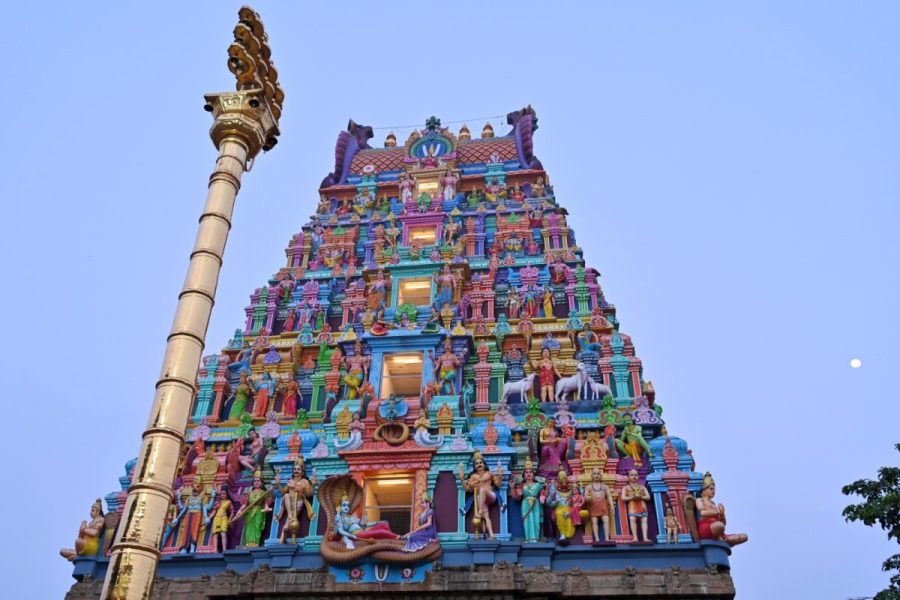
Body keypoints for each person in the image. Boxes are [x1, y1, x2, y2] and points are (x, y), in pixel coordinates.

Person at [458, 451, 502, 539]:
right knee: (486, 516)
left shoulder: (489, 474)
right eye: (477, 463)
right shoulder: (473, 477)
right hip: (481, 499)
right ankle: (491, 535)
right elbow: (468, 489)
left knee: (482, 490)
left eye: (480, 462)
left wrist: (500, 475)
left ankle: (480, 511)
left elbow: (498, 484)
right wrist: (462, 479)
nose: (479, 464)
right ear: (474, 466)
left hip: (491, 496)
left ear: (484, 464)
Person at [695, 472, 748, 546]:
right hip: (706, 527)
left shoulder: (715, 504)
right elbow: (703, 513)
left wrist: (723, 514)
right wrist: (717, 512)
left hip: (718, 531)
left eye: (714, 489)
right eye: (711, 489)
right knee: (719, 526)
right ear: (703, 490)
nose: (713, 491)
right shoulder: (700, 500)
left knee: (744, 536)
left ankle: (724, 539)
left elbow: (724, 523)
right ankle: (722, 540)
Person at [231, 471, 272, 548]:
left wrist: (266, 506)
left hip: (258, 511)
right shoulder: (250, 493)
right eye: (255, 481)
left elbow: (266, 501)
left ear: (262, 483)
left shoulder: (263, 492)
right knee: (249, 527)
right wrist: (240, 510)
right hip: (250, 511)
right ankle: (248, 543)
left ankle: (255, 543)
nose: (256, 482)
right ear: (253, 482)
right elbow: (245, 504)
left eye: (258, 481)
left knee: (257, 526)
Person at [509, 458, 544, 543]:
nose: (528, 474)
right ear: (524, 475)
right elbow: (516, 498)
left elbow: (543, 494)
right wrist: (513, 488)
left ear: (533, 474)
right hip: (525, 505)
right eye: (527, 472)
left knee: (536, 521)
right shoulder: (521, 485)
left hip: (535, 504)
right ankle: (528, 539)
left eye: (530, 472)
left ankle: (536, 539)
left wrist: (543, 496)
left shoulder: (538, 485)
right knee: (527, 521)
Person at [584, 468, 615, 543]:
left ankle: (607, 538)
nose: (596, 475)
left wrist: (612, 505)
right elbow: (585, 496)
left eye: (598, 474)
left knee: (606, 520)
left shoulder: (604, 486)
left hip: (603, 505)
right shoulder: (589, 487)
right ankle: (597, 539)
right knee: (594, 521)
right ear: (591, 476)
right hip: (593, 505)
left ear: (600, 475)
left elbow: (609, 496)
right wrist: (588, 498)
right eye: (594, 474)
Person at [621, 468, 651, 543]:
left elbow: (648, 497)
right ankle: (635, 537)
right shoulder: (626, 487)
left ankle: (645, 538)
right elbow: (623, 498)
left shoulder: (642, 487)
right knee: (632, 519)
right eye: (632, 475)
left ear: (638, 477)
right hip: (632, 506)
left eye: (635, 475)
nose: (634, 477)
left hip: (642, 506)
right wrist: (632, 497)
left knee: (644, 520)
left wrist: (641, 497)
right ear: (628, 477)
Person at [209, 486, 233, 552]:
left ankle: (224, 549)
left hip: (224, 518)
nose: (222, 495)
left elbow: (232, 512)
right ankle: (215, 549)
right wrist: (208, 518)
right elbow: (214, 511)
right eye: (221, 493)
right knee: (215, 534)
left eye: (224, 493)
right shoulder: (217, 502)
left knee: (223, 533)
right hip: (216, 518)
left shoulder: (228, 502)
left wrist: (230, 519)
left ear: (227, 494)